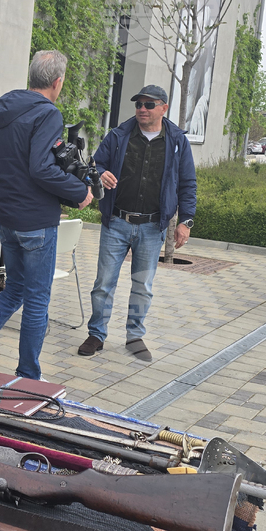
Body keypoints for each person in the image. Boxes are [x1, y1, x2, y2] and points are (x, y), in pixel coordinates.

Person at [0, 49, 93, 380]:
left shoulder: (5, 111)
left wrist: (5, 190)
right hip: (37, 223)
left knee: (15, 290)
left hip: (9, 220)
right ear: (58, 82)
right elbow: (41, 168)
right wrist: (79, 193)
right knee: (36, 301)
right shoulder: (47, 114)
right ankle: (28, 376)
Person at [78, 85, 196, 362]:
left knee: (142, 285)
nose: (142, 108)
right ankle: (97, 334)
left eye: (149, 104)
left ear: (163, 108)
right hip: (116, 220)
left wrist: (185, 222)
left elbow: (188, 184)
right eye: (139, 104)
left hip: (152, 226)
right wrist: (100, 173)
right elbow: (93, 166)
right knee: (103, 283)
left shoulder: (177, 141)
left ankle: (134, 336)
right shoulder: (119, 135)